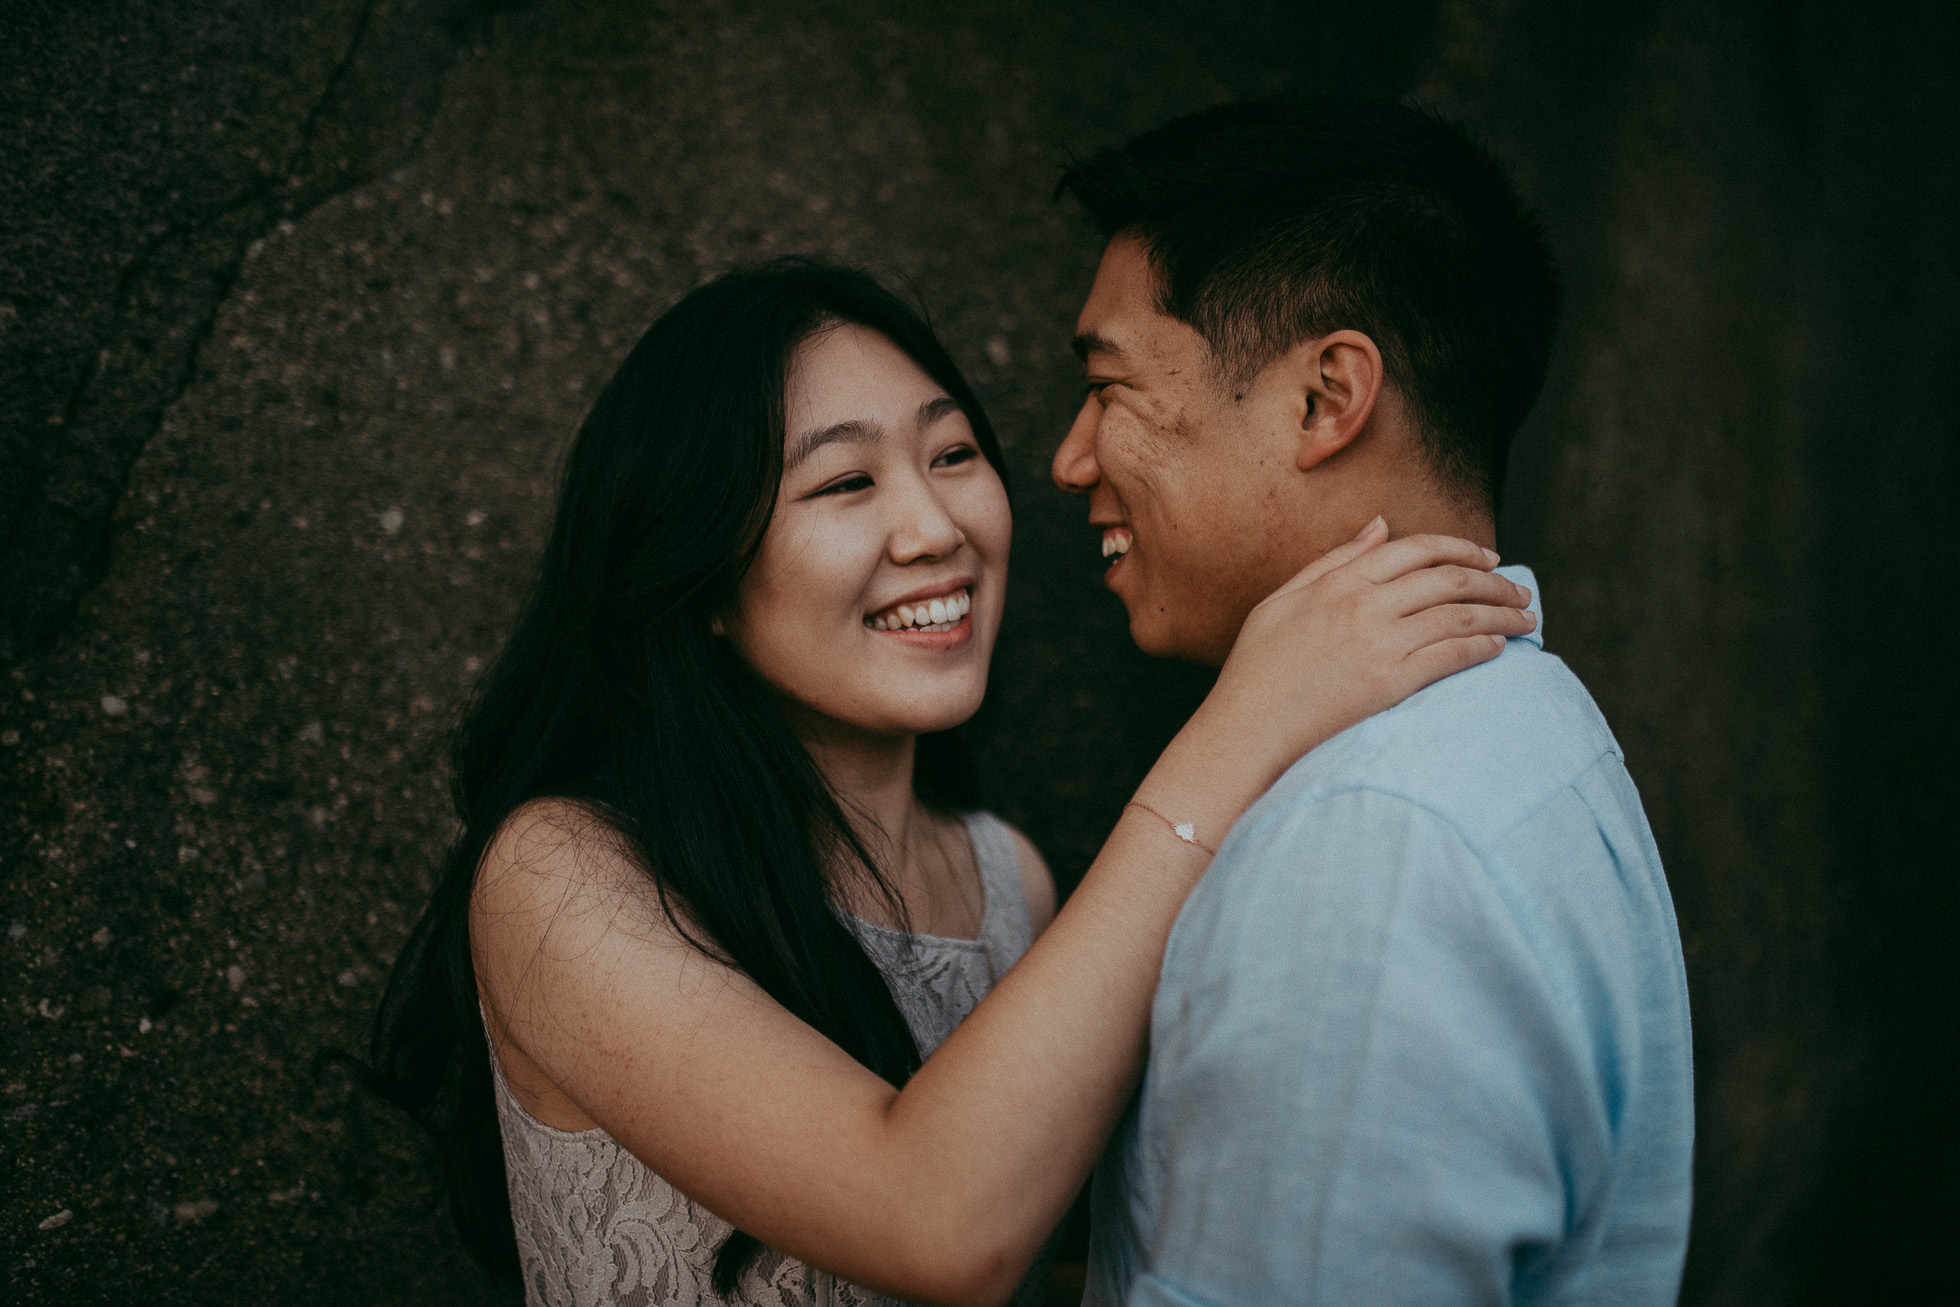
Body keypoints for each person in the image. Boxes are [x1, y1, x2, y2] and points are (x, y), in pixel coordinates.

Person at [361, 258, 1537, 1306]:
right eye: (842, 484)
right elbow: (940, 1220)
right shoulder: (566, 874)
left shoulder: (1003, 875)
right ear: (702, 576)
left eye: (953, 454)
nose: (934, 526)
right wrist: (1250, 718)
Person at [1051, 98, 1696, 1305]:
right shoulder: (1528, 731)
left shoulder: (1372, 839)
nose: (1071, 458)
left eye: (1110, 387)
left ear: (1323, 398)